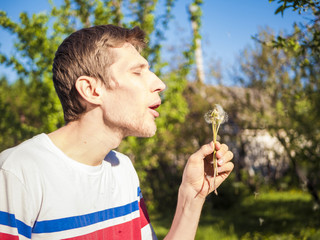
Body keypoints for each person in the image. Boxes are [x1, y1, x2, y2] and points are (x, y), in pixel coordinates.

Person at [0, 25, 234, 240]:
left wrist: (192, 195)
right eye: (137, 72)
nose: (160, 84)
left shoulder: (122, 170)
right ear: (91, 90)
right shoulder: (17, 174)